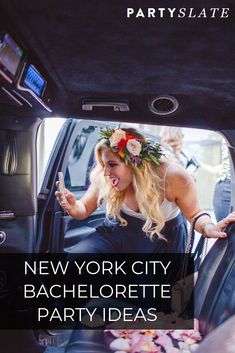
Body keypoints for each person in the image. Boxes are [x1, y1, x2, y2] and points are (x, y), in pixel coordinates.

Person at [55, 127, 235, 254]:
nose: (106, 172)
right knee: (78, 258)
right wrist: (72, 206)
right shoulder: (105, 175)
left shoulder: (172, 176)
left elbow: (195, 214)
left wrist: (209, 227)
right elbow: (84, 209)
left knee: (146, 296)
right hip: (119, 232)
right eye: (103, 164)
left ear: (133, 163)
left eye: (112, 164)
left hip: (162, 239)